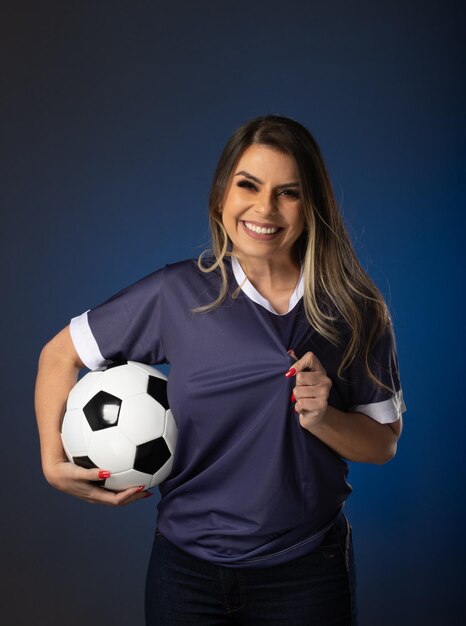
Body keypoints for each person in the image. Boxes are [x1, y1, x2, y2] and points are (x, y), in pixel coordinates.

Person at [35, 114, 405, 625]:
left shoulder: (352, 309)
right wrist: (53, 462)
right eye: (248, 185)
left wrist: (326, 420)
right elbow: (59, 355)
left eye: (287, 193)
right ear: (220, 196)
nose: (264, 208)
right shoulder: (177, 293)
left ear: (311, 205)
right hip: (186, 575)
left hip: (305, 574)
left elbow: (384, 443)